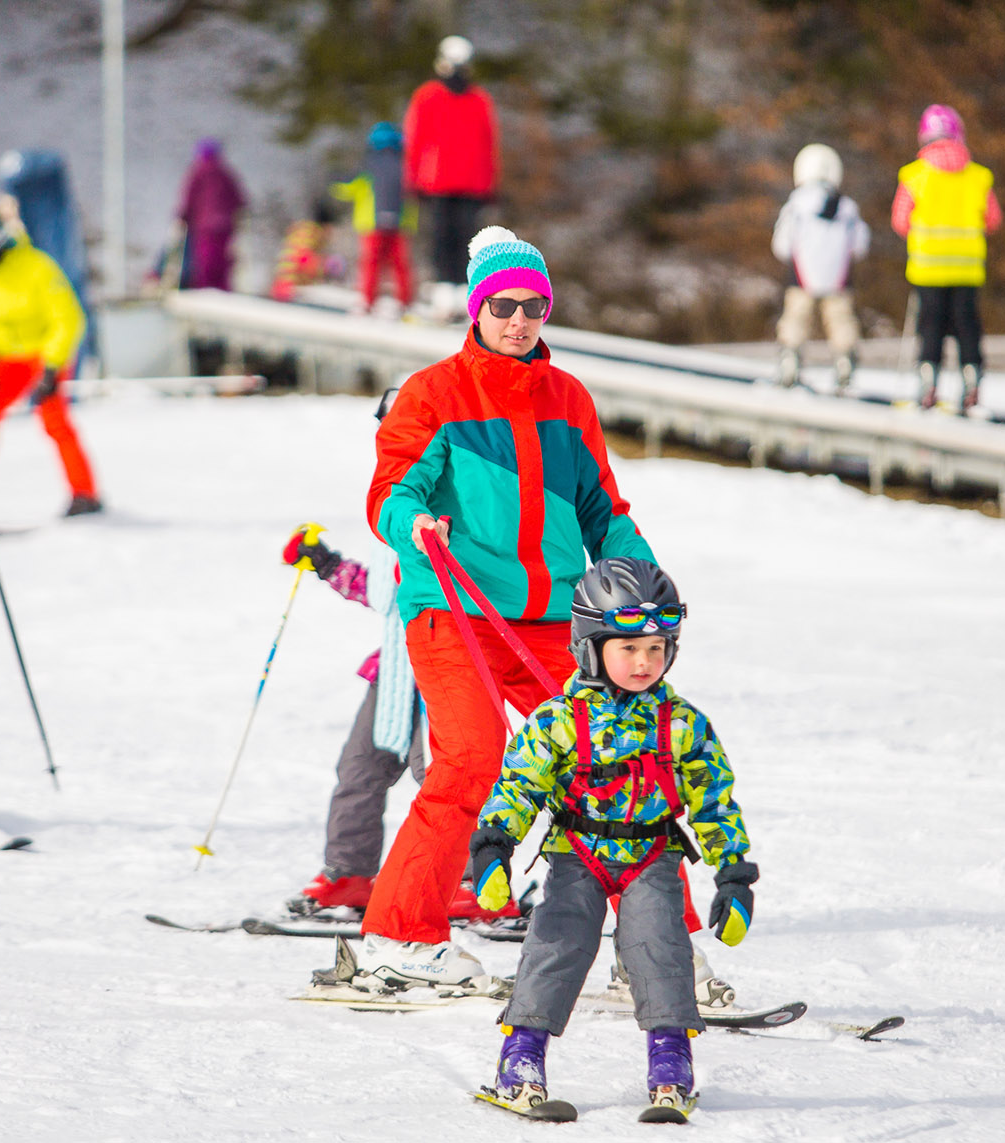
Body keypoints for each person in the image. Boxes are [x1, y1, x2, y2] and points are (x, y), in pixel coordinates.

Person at [356, 226, 657, 986]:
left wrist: (644, 579)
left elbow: (602, 510)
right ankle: (400, 936)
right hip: (452, 606)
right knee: (471, 753)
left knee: (617, 755)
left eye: (534, 305)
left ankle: (652, 946)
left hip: (555, 616)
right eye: (503, 305)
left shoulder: (567, 400)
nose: (518, 320)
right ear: (477, 309)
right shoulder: (434, 394)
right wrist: (413, 525)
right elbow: (393, 490)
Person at [469, 557, 755, 1118]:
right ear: (589, 647)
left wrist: (734, 874)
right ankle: (520, 1057)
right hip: (578, 853)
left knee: (660, 949)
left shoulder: (683, 723)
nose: (644, 661)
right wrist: (494, 846)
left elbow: (714, 800)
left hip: (651, 854)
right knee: (559, 943)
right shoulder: (557, 718)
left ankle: (671, 1060)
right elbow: (520, 785)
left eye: (656, 647)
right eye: (627, 647)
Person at [280, 517, 513, 926]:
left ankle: (475, 883)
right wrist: (325, 563)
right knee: (359, 770)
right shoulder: (403, 526)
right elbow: (382, 591)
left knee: (448, 775)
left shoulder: (469, 526)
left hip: (452, 666)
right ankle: (349, 872)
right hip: (395, 672)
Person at [0, 204, 100, 524]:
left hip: (44, 356)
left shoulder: (37, 267)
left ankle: (84, 494)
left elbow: (67, 318)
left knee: (55, 420)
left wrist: (53, 367)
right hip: (4, 360)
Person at [892, 104, 1002, 413]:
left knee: (930, 327)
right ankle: (972, 381)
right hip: (967, 268)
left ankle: (928, 383)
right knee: (968, 327)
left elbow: (901, 221)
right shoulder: (978, 177)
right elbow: (992, 220)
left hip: (928, 268)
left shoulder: (914, 176)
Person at [403, 36, 499, 299]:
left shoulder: (473, 99)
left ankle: (456, 293)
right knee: (452, 239)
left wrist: (413, 180)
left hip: (451, 182)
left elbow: (415, 141)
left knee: (451, 240)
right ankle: (450, 292)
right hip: (452, 183)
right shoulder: (438, 96)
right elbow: (417, 140)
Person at [771, 143, 870, 392]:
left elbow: (782, 245)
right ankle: (845, 362)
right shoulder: (847, 207)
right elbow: (860, 245)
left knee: (795, 318)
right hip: (838, 278)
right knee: (841, 320)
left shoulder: (796, 205)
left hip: (801, 277)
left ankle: (789, 361)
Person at [0, 149, 97, 365]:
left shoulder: (52, 244)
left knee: (65, 313)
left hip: (51, 345)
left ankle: (70, 369)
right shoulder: (30, 246)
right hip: (30, 346)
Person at [332, 122, 416, 314]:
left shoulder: (368, 165)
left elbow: (348, 187)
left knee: (371, 264)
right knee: (401, 265)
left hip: (371, 223)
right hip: (401, 223)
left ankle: (367, 302)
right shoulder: (407, 166)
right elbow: (416, 191)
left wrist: (334, 183)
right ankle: (405, 303)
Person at [174, 138, 246, 292]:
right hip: (225, 226)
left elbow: (189, 198)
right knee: (222, 262)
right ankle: (223, 291)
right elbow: (240, 199)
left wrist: (182, 217)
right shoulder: (225, 173)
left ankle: (205, 291)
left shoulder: (197, 173)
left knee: (205, 263)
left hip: (204, 227)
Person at [268, 200, 335, 303]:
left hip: (281, 286)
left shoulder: (303, 230)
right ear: (326, 226)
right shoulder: (311, 235)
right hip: (290, 290)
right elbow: (303, 259)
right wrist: (322, 268)